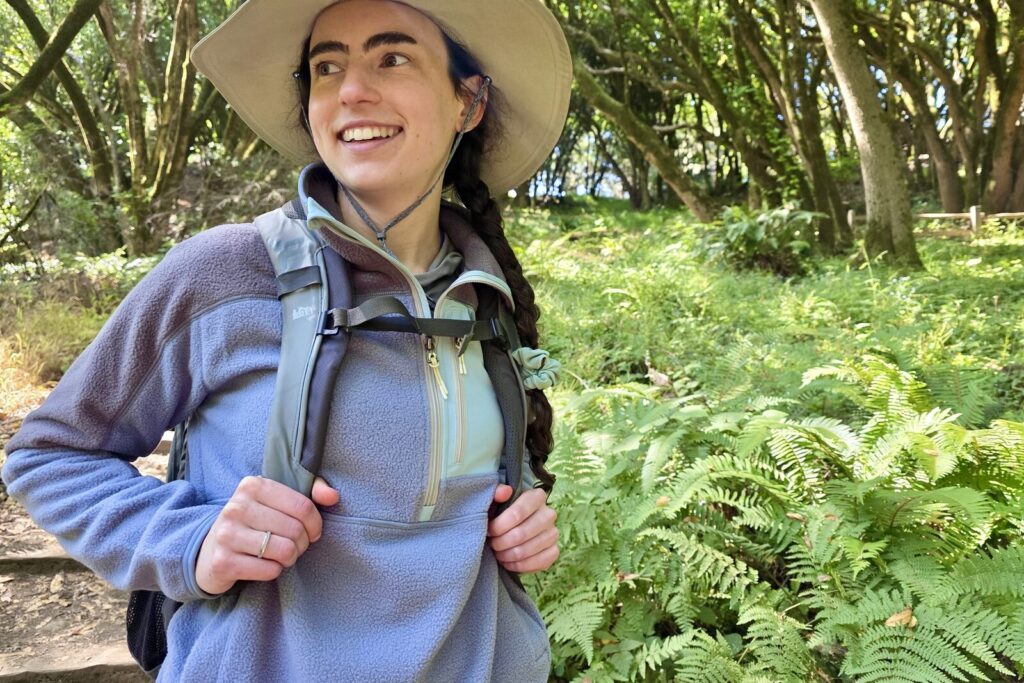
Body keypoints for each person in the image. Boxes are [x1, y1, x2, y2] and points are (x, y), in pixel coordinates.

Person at [1, 0, 572, 680]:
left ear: (468, 102)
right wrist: (194, 538)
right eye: (327, 67)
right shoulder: (226, 273)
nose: (351, 90)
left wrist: (522, 515)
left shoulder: (487, 297)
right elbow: (50, 455)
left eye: (392, 58)